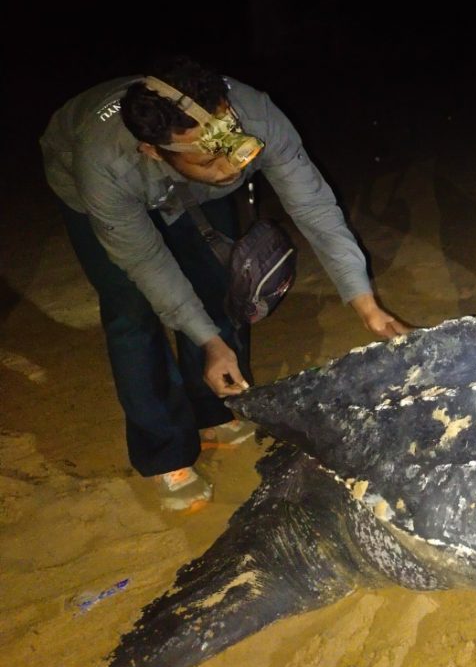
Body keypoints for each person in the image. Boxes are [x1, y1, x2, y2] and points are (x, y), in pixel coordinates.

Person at [39, 55, 410, 512]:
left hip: (190, 186)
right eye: (211, 156)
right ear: (155, 151)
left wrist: (365, 303)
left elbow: (314, 208)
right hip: (89, 183)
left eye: (234, 145)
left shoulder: (252, 114)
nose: (231, 167)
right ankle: (164, 452)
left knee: (219, 283)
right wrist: (207, 341)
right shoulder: (105, 164)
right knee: (131, 310)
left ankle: (214, 411)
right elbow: (147, 261)